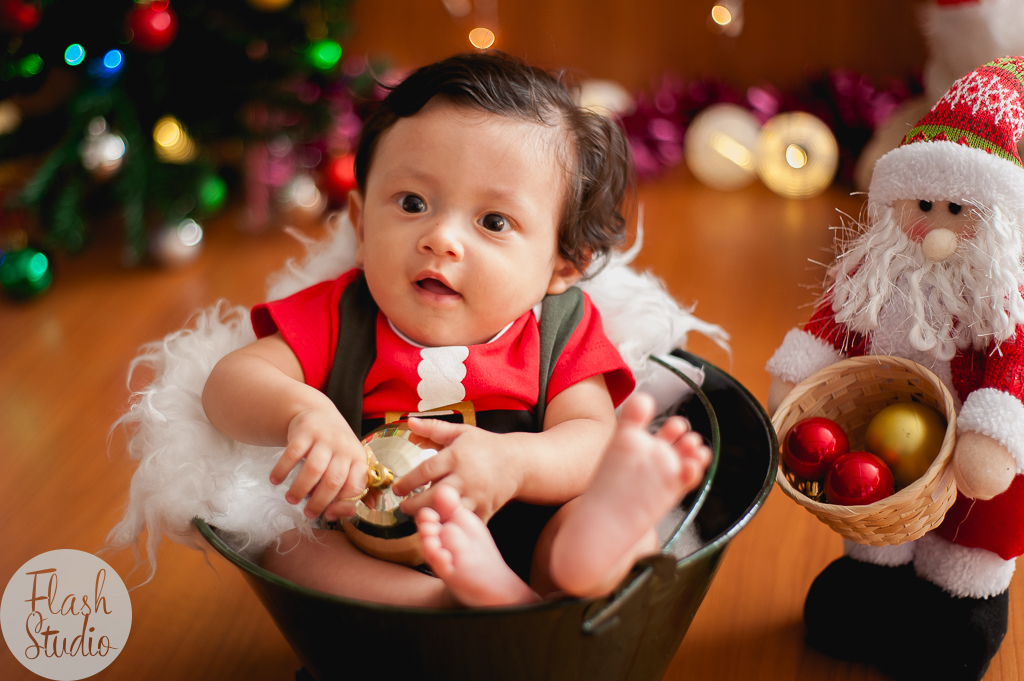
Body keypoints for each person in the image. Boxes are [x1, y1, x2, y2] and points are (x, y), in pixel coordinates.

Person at [201, 51, 712, 608]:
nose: (441, 238)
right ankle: (453, 607)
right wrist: (301, 411)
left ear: (563, 264)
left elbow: (591, 440)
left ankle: (576, 562)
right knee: (291, 551)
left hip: (530, 534)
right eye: (413, 203)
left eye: (494, 221)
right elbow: (230, 382)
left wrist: (514, 463)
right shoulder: (341, 313)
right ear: (360, 225)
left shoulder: (558, 329)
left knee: (605, 528)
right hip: (378, 547)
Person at [766, 56, 1024, 681]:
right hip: (880, 446)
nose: (935, 229)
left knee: (963, 545)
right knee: (878, 520)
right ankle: (872, 584)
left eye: (959, 212)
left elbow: (1011, 368)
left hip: (968, 461)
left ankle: (957, 606)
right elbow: (833, 323)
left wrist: (988, 438)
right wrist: (799, 378)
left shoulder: (1003, 300)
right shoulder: (875, 273)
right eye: (924, 204)